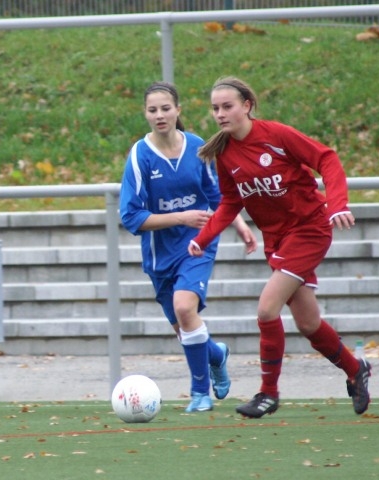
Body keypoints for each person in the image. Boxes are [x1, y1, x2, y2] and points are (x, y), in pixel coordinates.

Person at [187, 76, 371, 419]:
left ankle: (268, 393)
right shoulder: (225, 154)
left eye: (227, 106)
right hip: (278, 240)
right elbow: (230, 201)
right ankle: (354, 368)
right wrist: (202, 238)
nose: (220, 114)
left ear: (247, 106)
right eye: (215, 108)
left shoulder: (276, 136)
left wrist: (337, 204)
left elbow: (327, 158)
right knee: (308, 323)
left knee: (266, 310)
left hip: (309, 229)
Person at [120, 81, 257, 413]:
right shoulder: (140, 156)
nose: (160, 115)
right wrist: (180, 217)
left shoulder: (198, 148)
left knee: (185, 309)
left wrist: (240, 225)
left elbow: (219, 197)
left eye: (166, 108)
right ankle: (216, 355)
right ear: (145, 114)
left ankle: (199, 393)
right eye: (153, 110)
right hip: (160, 255)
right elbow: (131, 216)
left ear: (178, 110)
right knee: (184, 328)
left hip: (199, 243)